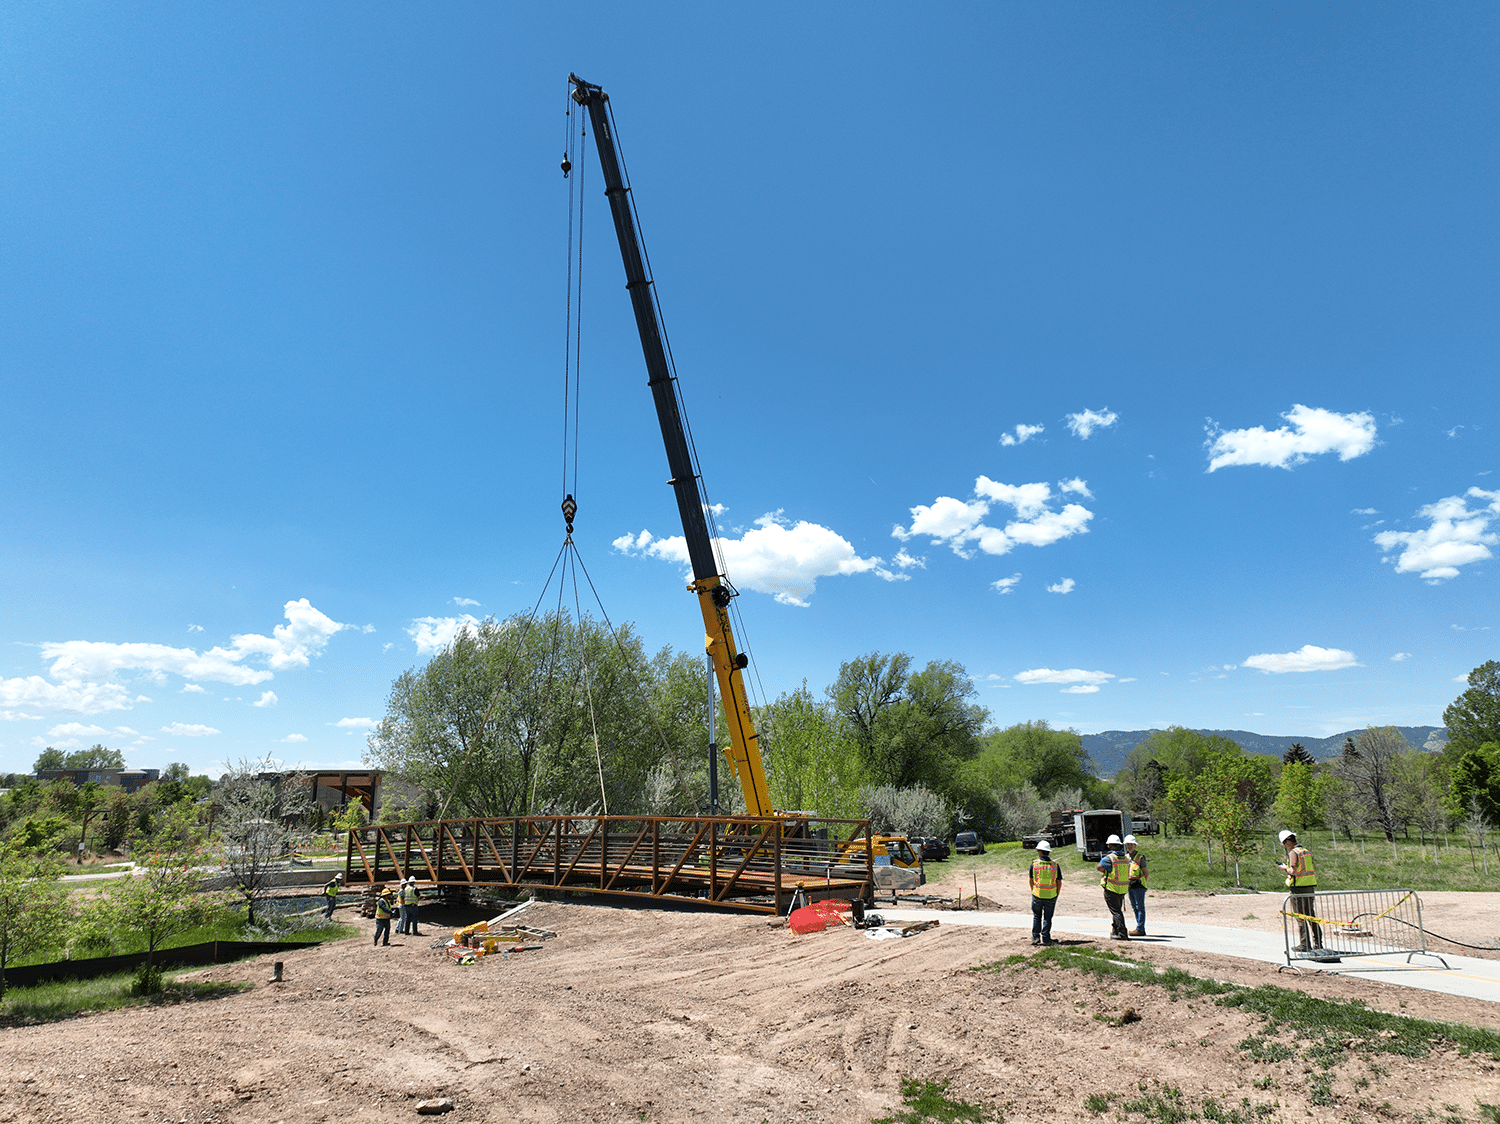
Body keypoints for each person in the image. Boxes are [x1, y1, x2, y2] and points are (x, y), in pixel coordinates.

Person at [1276, 829, 1325, 954]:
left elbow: (1293, 871)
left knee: (1300, 917)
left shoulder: (1293, 853)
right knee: (1311, 916)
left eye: (1284, 844)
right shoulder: (1306, 852)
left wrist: (1284, 868)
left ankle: (1304, 944)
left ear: (1288, 842)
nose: (1285, 847)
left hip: (1298, 888)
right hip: (1309, 887)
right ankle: (1318, 943)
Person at [1097, 834, 1131, 940]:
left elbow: (1099, 867)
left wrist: (1106, 872)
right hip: (1123, 888)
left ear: (1110, 846)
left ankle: (1122, 933)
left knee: (1116, 911)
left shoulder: (1110, 858)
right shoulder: (1125, 858)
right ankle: (1115, 930)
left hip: (1112, 888)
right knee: (1117, 910)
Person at [1029, 840, 1062, 946]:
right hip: (1051, 895)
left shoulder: (1034, 864)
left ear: (1040, 851)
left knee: (1037, 916)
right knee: (1047, 917)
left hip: (1037, 894)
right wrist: (1057, 893)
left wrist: (1033, 890)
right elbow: (1059, 882)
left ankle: (1036, 937)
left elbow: (1031, 880)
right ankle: (1046, 938)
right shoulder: (1055, 865)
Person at [1124, 835, 1148, 936]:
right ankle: (1139, 927)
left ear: (1135, 845)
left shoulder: (1140, 858)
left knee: (1140, 907)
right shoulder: (1125, 857)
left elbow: (1145, 873)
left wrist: (1140, 882)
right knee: (1134, 906)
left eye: (1131, 845)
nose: (1129, 847)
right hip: (1130, 885)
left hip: (1138, 885)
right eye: (1127, 845)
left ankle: (1140, 928)